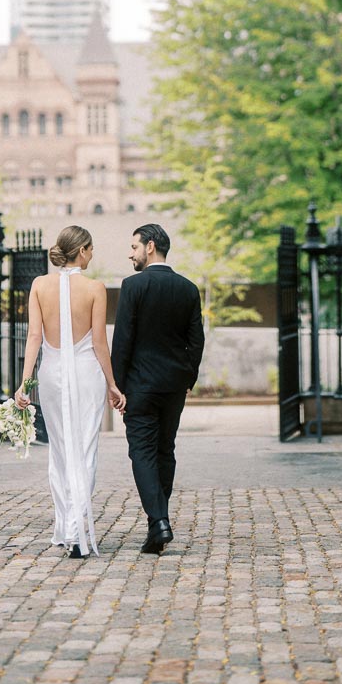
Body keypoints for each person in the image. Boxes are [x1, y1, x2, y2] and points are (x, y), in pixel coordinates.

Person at [14, 226, 125, 558]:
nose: (92, 255)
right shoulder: (95, 288)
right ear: (82, 251)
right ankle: (76, 532)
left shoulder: (39, 285)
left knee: (60, 451)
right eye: (91, 249)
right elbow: (100, 344)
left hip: (50, 372)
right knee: (84, 450)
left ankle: (65, 528)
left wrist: (24, 383)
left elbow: (33, 336)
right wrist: (112, 383)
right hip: (85, 372)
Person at [111, 223, 204, 554]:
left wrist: (116, 386)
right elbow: (196, 342)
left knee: (142, 451)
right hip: (174, 386)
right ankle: (158, 522)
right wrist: (188, 379)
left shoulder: (133, 286)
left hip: (140, 386)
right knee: (165, 449)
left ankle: (159, 522)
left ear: (150, 247)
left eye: (134, 246)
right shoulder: (188, 289)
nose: (130, 253)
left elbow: (123, 340)